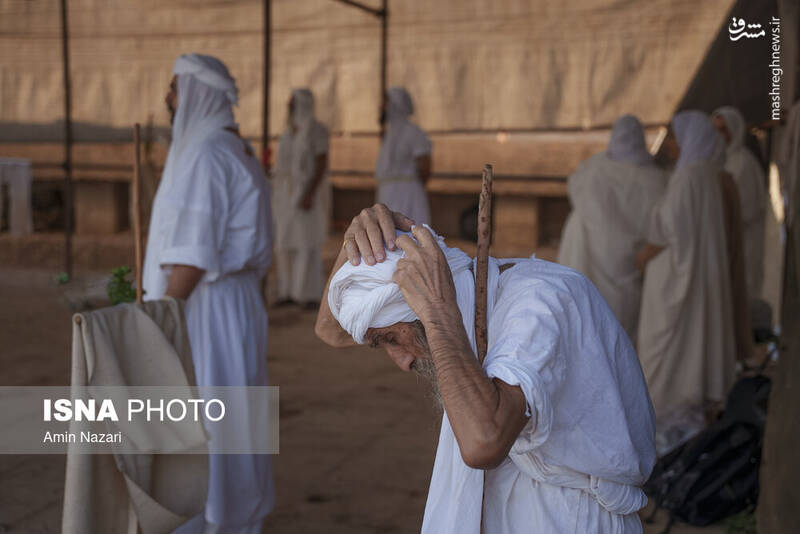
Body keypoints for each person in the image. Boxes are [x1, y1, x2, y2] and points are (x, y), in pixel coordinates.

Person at [315, 204, 656, 534]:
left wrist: (439, 316)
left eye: (394, 338)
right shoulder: (472, 294)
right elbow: (330, 330)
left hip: (568, 519)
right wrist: (353, 244)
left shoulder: (538, 303)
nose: (403, 362)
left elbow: (484, 443)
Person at [142, 53, 275, 533]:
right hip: (232, 302)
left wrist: (161, 319)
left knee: (207, 419)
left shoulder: (206, 153)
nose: (168, 99)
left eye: (175, 88)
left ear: (196, 94)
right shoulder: (229, 148)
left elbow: (194, 257)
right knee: (230, 417)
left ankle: (214, 520)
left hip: (205, 306)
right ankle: (231, 517)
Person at [636, 110, 736, 456]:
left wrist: (645, 255)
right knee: (692, 344)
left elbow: (668, 229)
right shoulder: (707, 174)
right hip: (694, 274)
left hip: (676, 278)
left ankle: (668, 439)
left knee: (667, 356)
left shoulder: (688, 178)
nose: (672, 147)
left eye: (676, 138)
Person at [558, 114, 666, 342]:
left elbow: (576, 192)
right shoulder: (655, 179)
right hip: (628, 264)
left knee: (586, 324)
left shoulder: (592, 169)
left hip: (587, 254)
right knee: (620, 331)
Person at [272, 88, 330, 308]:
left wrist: (309, 193)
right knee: (285, 242)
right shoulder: (287, 132)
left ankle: (307, 294)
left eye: (292, 103)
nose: (289, 107)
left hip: (306, 193)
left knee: (307, 243)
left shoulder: (317, 131)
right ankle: (287, 291)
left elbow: (321, 164)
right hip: (284, 196)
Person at [712, 106, 768, 302]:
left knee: (745, 292)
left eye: (723, 129)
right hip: (727, 241)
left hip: (745, 242)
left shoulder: (744, 162)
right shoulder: (720, 161)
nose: (719, 135)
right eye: (716, 130)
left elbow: (748, 209)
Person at [375, 87, 432, 224]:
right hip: (387, 194)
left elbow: (425, 166)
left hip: (408, 194)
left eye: (384, 103)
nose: (380, 107)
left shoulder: (413, 132)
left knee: (411, 234)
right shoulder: (388, 135)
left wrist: (408, 188)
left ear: (394, 104)